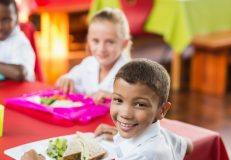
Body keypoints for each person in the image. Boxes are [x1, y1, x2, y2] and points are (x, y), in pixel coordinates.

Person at [21, 59, 193, 160]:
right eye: (118, 100)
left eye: (140, 104)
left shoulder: (147, 154)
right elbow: (188, 145)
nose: (125, 113)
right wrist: (125, 134)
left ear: (162, 110)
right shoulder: (162, 135)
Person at [57, 8, 131, 104]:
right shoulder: (88, 63)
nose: (102, 49)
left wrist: (114, 97)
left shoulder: (131, 73)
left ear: (124, 44)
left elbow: (139, 104)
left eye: (110, 42)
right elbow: (65, 80)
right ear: (88, 40)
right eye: (96, 41)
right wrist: (66, 80)